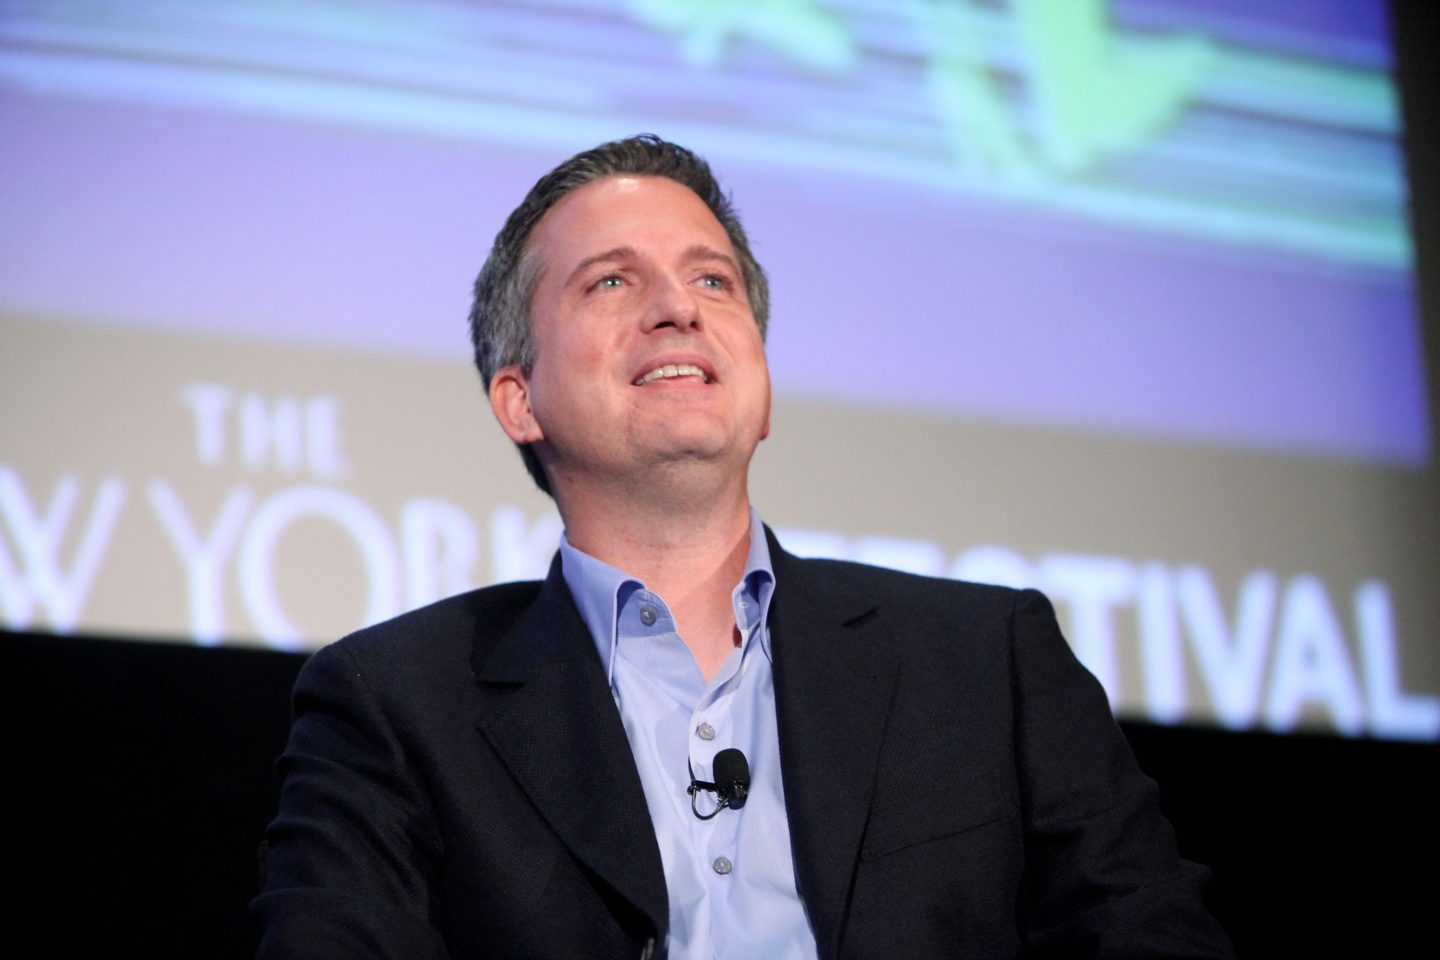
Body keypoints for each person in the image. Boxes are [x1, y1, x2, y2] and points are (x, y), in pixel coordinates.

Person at [254, 135, 1235, 959]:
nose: (678, 307)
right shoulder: (393, 706)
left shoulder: (986, 662)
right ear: (519, 398)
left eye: (712, 279)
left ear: (760, 376)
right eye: (611, 280)